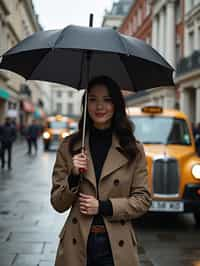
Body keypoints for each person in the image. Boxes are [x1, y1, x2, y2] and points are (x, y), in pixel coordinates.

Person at [51, 76, 152, 266]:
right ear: (85, 105)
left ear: (116, 105)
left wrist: (103, 206)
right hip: (77, 243)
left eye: (107, 100)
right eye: (93, 100)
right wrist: (73, 176)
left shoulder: (132, 148)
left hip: (116, 247)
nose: (99, 107)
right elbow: (57, 203)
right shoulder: (69, 146)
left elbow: (143, 200)